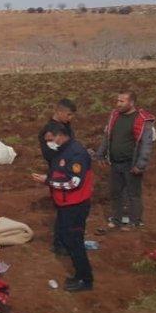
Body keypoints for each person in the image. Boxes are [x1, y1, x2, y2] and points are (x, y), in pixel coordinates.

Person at [33, 125, 95, 292]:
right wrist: (48, 177)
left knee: (75, 242)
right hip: (64, 204)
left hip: (75, 205)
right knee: (67, 239)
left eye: (51, 139)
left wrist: (47, 182)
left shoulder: (77, 153)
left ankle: (86, 279)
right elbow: (61, 173)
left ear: (60, 135)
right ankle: (79, 274)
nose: (49, 143)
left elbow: (73, 182)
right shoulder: (63, 150)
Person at [94, 91, 156, 230]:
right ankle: (117, 220)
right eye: (118, 101)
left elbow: (146, 144)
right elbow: (107, 137)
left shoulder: (142, 119)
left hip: (131, 163)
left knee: (133, 193)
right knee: (115, 192)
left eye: (122, 101)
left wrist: (141, 164)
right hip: (116, 162)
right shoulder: (115, 116)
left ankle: (135, 221)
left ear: (131, 102)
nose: (118, 104)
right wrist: (100, 154)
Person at [38, 98, 77, 167]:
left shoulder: (65, 124)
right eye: (68, 114)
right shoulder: (50, 131)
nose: (71, 117)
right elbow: (51, 155)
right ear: (59, 112)